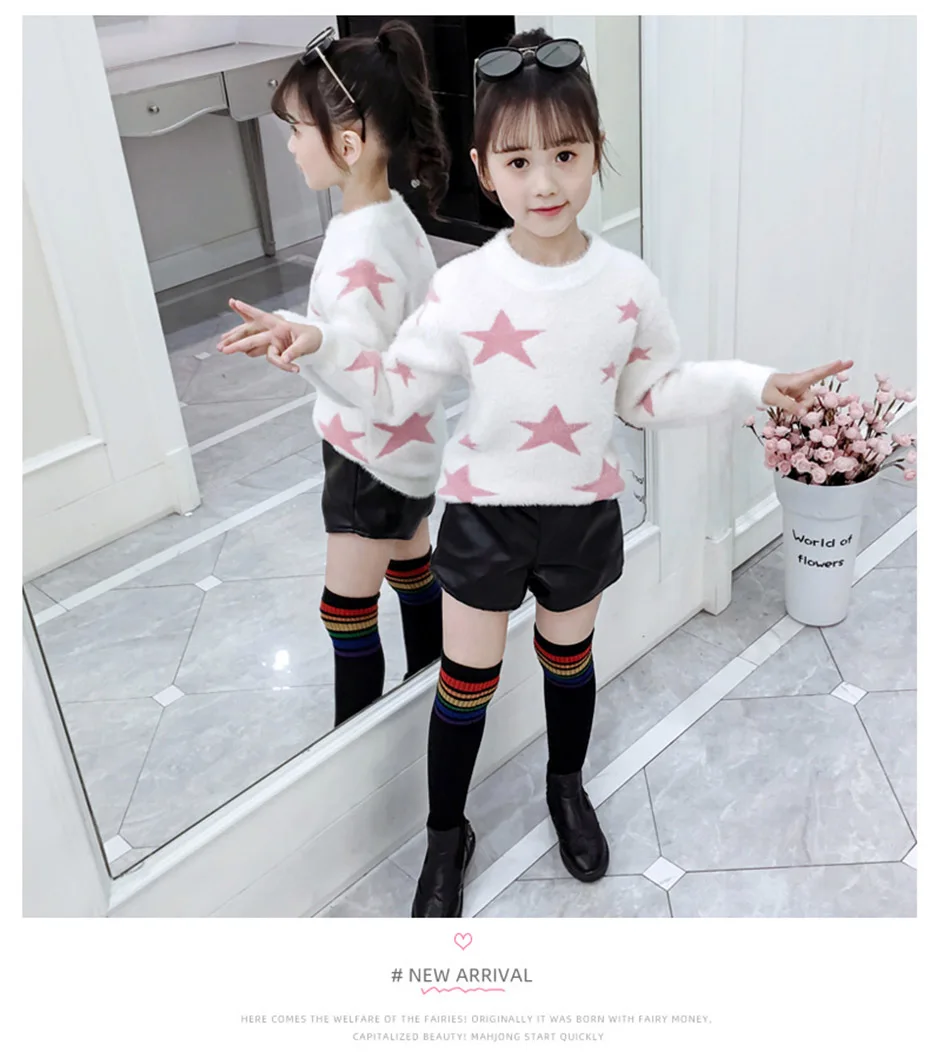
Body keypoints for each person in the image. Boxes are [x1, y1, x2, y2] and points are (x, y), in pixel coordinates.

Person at [221, 28, 853, 917]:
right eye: (519, 161)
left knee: (568, 660)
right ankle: (447, 834)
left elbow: (651, 395)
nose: (545, 181)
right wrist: (317, 340)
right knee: (464, 684)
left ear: (596, 151)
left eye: (565, 153)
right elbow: (394, 388)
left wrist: (754, 382)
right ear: (486, 170)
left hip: (579, 514)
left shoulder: (628, 285)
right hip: (484, 520)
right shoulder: (464, 288)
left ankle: (566, 786)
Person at [219, 22, 451, 728]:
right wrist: (306, 332)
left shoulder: (362, 243)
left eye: (296, 130)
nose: (291, 146)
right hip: (410, 449)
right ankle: (430, 692)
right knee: (413, 568)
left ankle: (356, 750)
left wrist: (312, 340)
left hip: (367, 457)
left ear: (347, 145)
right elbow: (371, 331)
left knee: (345, 611)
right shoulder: (390, 216)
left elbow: (365, 361)